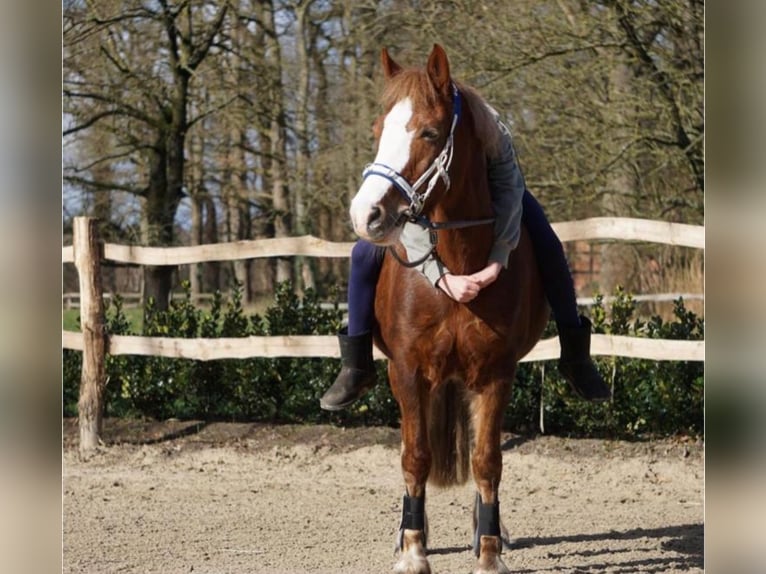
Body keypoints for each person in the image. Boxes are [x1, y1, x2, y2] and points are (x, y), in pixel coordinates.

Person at [320, 109, 610, 411]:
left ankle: (576, 358)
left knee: (548, 245)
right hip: (424, 194)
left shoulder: (490, 125)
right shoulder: (405, 125)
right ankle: (356, 367)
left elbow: (510, 191)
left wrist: (498, 261)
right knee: (363, 253)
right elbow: (409, 195)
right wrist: (441, 277)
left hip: (489, 197)